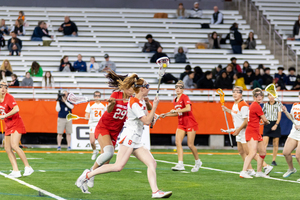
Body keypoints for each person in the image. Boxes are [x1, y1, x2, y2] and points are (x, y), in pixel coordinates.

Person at [76, 75, 172, 198]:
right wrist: (154, 107)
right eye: (147, 86)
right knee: (118, 166)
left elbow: (150, 122)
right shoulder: (134, 102)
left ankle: (155, 192)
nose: (149, 88)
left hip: (136, 138)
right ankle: (87, 175)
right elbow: (146, 121)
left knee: (152, 163)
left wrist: (154, 114)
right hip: (129, 137)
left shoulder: (141, 101)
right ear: (141, 89)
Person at [159, 80, 202, 172]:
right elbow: (177, 113)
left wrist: (176, 111)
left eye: (180, 87)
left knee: (190, 145)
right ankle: (180, 164)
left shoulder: (184, 97)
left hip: (190, 122)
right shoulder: (175, 100)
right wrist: (166, 114)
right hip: (181, 123)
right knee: (178, 142)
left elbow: (188, 108)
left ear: (183, 89)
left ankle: (198, 161)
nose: (178, 89)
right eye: (176, 87)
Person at [0, 80, 34, 178]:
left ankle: (28, 167)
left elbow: (16, 109)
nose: (3, 88)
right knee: (7, 148)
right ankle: (16, 170)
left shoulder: (9, 97)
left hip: (16, 123)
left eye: (5, 87)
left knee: (15, 145)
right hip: (8, 125)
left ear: (7, 89)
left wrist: (5, 115)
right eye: (1, 86)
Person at [222, 87, 256, 176]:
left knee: (249, 152)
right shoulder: (235, 104)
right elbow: (236, 114)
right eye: (234, 92)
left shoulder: (243, 104)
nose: (235, 94)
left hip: (243, 130)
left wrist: (238, 130)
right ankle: (250, 169)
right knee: (241, 151)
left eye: (237, 92)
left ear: (241, 94)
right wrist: (227, 110)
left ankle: (265, 165)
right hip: (239, 131)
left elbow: (246, 120)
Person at [239, 88, 270, 178]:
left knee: (263, 152)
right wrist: (268, 122)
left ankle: (259, 172)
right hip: (252, 131)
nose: (259, 97)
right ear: (254, 97)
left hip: (255, 131)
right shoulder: (256, 105)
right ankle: (243, 172)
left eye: (260, 95)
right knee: (252, 153)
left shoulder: (255, 105)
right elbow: (264, 119)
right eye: (257, 96)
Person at [282, 93, 300, 179]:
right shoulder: (295, 105)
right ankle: (291, 169)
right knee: (286, 152)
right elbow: (292, 117)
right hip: (294, 133)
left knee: (298, 156)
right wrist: (286, 112)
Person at [85, 91, 106, 160]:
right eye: (96, 96)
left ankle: (102, 156)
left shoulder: (103, 105)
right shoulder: (90, 104)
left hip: (101, 125)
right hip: (93, 124)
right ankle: (95, 151)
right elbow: (87, 113)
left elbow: (106, 114)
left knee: (101, 141)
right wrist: (86, 117)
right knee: (92, 141)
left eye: (99, 96)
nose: (97, 97)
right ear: (94, 97)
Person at [262, 93, 282, 166]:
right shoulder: (265, 105)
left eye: (272, 95)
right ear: (267, 96)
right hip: (267, 124)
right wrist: (264, 120)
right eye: (269, 95)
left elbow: (279, 116)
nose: (271, 97)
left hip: (275, 123)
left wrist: (276, 125)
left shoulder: (278, 105)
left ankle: (274, 160)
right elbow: (262, 113)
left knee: (275, 143)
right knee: (264, 144)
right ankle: (262, 159)